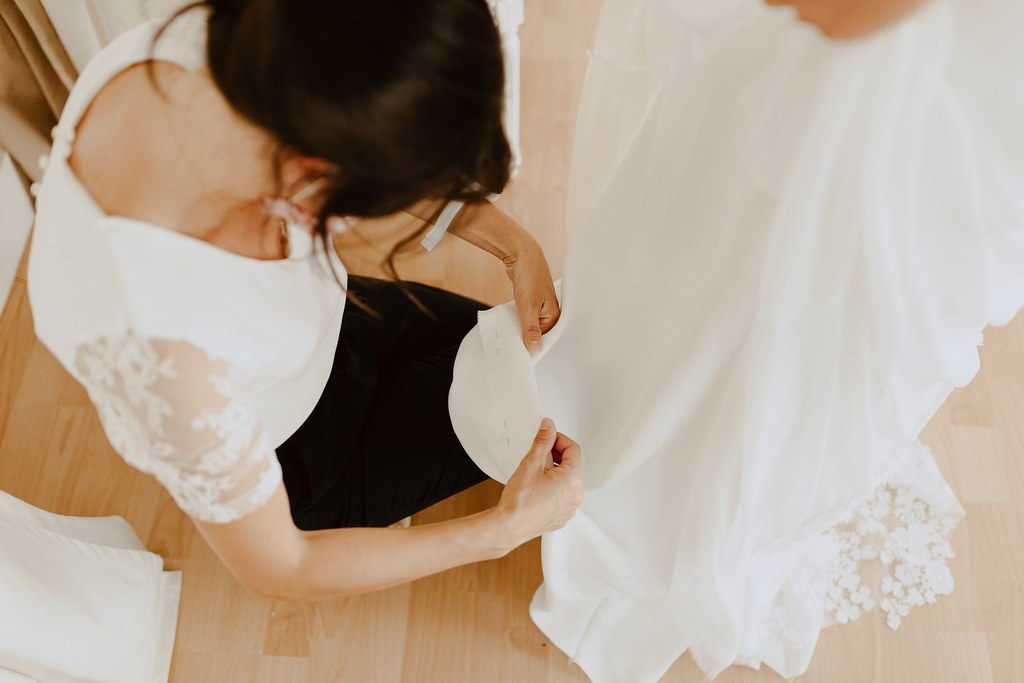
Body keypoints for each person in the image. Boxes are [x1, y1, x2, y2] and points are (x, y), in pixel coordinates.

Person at [449, 0, 1024, 680]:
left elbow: (838, 17)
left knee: (759, 262)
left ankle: (671, 476)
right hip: (939, 86)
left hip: (875, 68)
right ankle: (672, 449)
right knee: (747, 271)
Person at [27, 0, 582, 601]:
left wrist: (514, 248)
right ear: (314, 167)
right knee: (546, 410)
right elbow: (281, 567)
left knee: (547, 364)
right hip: (302, 457)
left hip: (332, 322)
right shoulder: (161, 344)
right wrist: (502, 530)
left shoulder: (263, 45)